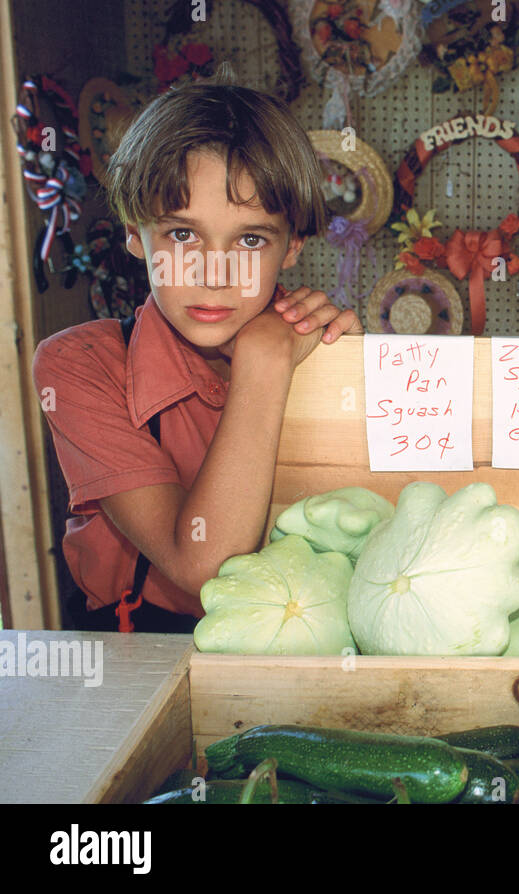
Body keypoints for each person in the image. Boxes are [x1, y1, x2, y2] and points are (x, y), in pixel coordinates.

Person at [33, 71, 362, 632]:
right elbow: (209, 567)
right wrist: (263, 359)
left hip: (305, 642)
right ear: (136, 235)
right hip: (141, 651)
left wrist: (340, 363)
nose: (215, 275)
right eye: (183, 235)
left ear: (292, 248)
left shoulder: (334, 348)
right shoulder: (79, 365)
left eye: (251, 240)